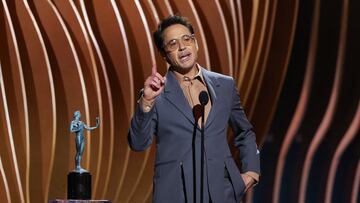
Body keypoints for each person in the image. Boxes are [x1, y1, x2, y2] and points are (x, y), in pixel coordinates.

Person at [128, 15, 260, 203]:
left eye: (186, 39)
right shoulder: (156, 93)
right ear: (164, 53)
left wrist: (252, 171)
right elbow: (138, 143)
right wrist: (146, 103)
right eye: (173, 44)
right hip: (175, 194)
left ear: (196, 43)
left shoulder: (225, 85)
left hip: (222, 193)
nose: (182, 47)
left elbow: (244, 131)